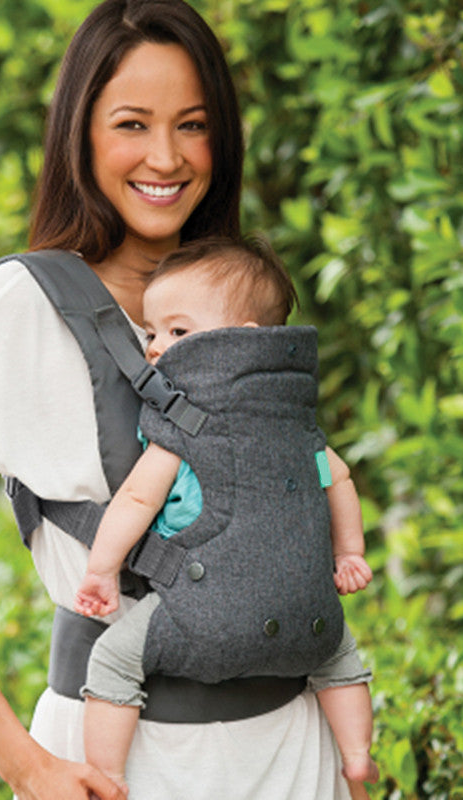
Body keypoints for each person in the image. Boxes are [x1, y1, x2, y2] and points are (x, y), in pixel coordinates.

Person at [0, 1, 358, 798]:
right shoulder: (15, 310)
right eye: (132, 123)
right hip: (120, 760)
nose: (166, 157)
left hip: (291, 750)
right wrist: (26, 767)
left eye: (193, 125)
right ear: (80, 134)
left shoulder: (241, 299)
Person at [74, 237, 378, 798]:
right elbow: (340, 479)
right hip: (309, 617)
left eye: (179, 332)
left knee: (113, 661)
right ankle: (358, 756)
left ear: (244, 338)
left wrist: (100, 569)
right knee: (340, 660)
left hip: (205, 619)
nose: (156, 348)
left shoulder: (185, 425)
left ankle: (108, 778)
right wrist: (349, 553)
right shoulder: (297, 425)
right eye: (151, 333)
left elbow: (138, 501)